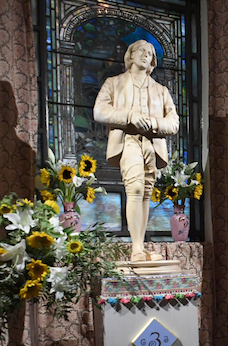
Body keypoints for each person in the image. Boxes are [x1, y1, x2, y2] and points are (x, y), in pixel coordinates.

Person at [93, 40, 179, 262]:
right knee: (135, 188)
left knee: (146, 193)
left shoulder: (161, 90)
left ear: (153, 61)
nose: (145, 55)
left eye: (150, 53)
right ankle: (137, 249)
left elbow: (174, 123)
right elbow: (100, 111)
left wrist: (152, 123)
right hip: (128, 140)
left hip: (152, 143)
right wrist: (129, 117)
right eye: (140, 50)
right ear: (130, 55)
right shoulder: (114, 83)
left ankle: (139, 247)